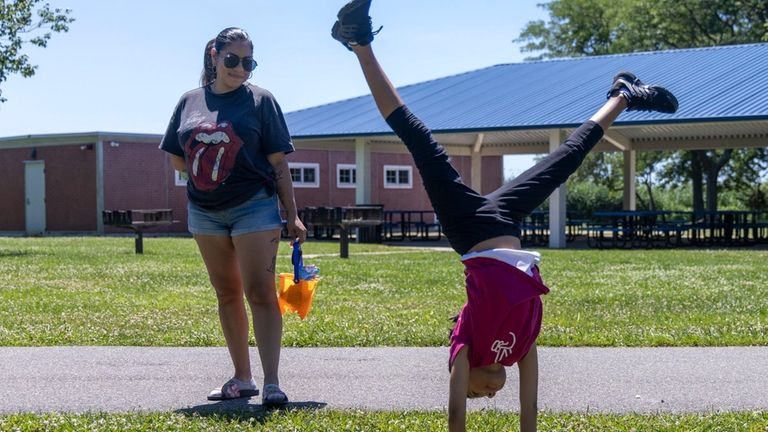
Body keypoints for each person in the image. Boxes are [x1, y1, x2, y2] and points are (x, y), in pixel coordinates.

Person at [330, 1, 678, 430]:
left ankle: (357, 41)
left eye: (475, 392)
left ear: (460, 377)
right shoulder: (520, 349)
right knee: (566, 159)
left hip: (467, 232)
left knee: (417, 139)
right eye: (490, 397)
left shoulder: (465, 344)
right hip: (505, 225)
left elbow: (456, 416)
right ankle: (623, 92)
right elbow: (528, 413)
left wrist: (462, 396)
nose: (489, 394)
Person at [159, 27, 306, 406]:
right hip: (204, 212)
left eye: (248, 62)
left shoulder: (261, 101)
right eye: (232, 60)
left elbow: (279, 163)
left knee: (260, 293)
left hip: (254, 207)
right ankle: (242, 378)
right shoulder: (189, 101)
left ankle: (272, 382)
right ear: (214, 55)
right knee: (227, 293)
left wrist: (293, 215)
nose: (240, 69)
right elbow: (178, 155)